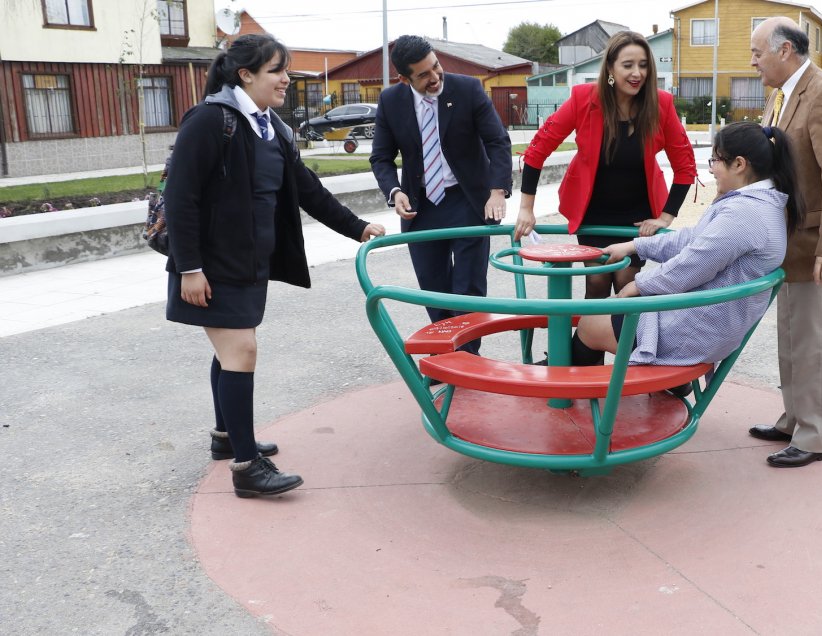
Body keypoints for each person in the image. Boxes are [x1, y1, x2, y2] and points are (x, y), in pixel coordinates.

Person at [164, 34, 385, 497]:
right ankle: (247, 467)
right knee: (241, 351)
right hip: (211, 265)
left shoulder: (271, 128)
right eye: (276, 71)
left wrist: (357, 227)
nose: (286, 78)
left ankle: (228, 438)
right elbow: (180, 198)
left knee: (230, 351)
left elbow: (307, 190)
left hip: (250, 264)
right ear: (245, 75)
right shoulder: (210, 121)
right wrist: (188, 268)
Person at [571, 122, 800, 374]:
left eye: (715, 160)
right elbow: (692, 240)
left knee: (588, 324)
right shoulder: (763, 204)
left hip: (690, 332)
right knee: (603, 315)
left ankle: (566, 389)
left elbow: (691, 264)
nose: (711, 169)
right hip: (708, 323)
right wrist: (634, 246)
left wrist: (636, 286)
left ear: (739, 164)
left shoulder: (744, 213)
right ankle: (668, 387)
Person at [746, 17, 822, 468]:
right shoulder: (781, 96)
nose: (753, 62)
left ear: (784, 52)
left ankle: (815, 436)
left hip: (818, 245)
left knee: (814, 341)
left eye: (758, 53)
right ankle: (794, 418)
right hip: (788, 241)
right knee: (792, 337)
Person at [515, 30, 698, 300]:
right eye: (628, 65)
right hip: (594, 212)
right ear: (611, 68)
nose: (637, 73)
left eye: (643, 65)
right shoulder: (583, 99)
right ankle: (582, 343)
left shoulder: (660, 104)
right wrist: (526, 209)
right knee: (598, 284)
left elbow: (685, 165)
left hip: (638, 216)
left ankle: (623, 344)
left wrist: (666, 216)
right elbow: (538, 149)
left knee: (628, 286)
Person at [369, 35, 513, 355]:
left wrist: (497, 191)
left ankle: (467, 357)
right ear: (404, 79)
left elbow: (498, 142)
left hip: (468, 200)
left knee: (468, 288)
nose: (435, 78)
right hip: (421, 207)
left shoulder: (467, 89)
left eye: (436, 66)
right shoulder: (392, 101)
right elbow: (380, 157)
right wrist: (395, 191)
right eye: (423, 75)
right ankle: (444, 353)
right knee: (433, 286)